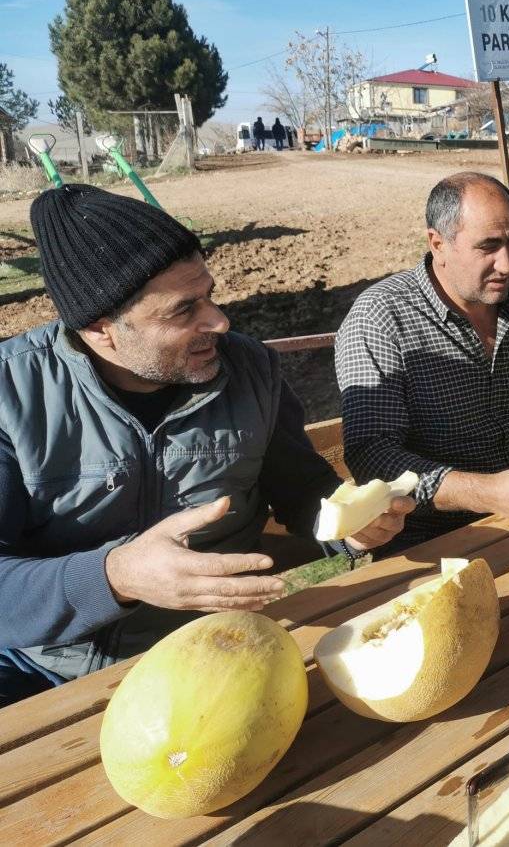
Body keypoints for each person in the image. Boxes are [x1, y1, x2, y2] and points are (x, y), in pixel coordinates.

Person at [0, 185, 412, 707]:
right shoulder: (10, 394)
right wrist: (117, 575)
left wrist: (352, 528)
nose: (219, 320)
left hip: (215, 655)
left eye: (210, 294)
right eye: (183, 310)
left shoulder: (251, 371)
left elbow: (303, 489)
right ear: (102, 330)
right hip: (43, 669)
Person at [335, 172, 509, 552]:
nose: (507, 264)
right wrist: (485, 493)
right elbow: (373, 454)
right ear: (438, 243)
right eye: (489, 247)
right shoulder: (382, 316)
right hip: (430, 544)